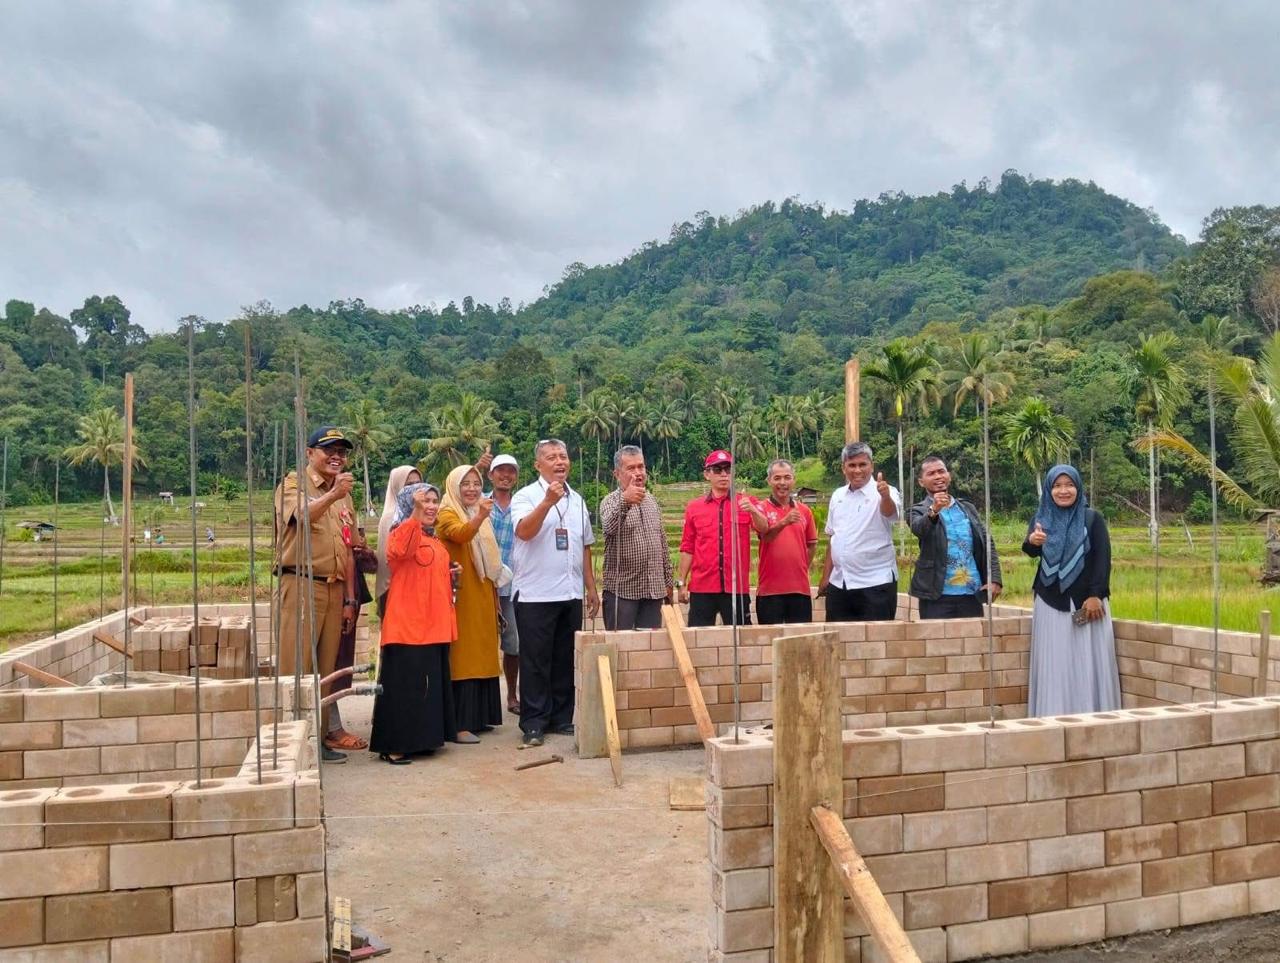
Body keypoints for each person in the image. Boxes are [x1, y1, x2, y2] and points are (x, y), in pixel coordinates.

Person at [273, 425, 358, 763]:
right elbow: (302, 516)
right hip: (302, 583)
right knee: (296, 666)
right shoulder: (293, 484)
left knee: (325, 670)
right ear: (310, 453)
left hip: (334, 587)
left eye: (342, 451)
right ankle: (288, 741)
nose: (336, 456)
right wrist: (332, 495)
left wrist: (351, 598)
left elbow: (349, 544)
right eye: (328, 450)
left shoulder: (344, 493)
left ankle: (317, 738)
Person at [511, 439, 600, 748]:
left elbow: (584, 546)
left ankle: (562, 717)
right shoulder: (526, 496)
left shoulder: (577, 500)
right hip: (536, 593)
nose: (560, 462)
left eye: (563, 456)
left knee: (564, 657)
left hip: (570, 591)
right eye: (551, 458)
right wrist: (547, 502)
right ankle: (534, 722)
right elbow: (523, 531)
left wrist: (590, 587)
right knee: (536, 660)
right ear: (539, 465)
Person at [369, 483, 458, 763]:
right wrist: (416, 514)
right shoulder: (402, 532)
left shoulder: (433, 540)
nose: (430, 506)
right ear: (410, 504)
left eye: (433, 501)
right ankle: (394, 745)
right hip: (408, 626)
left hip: (433, 625)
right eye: (423, 501)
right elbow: (400, 553)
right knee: (404, 688)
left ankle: (423, 739)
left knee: (428, 688)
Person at [1024, 465, 1120, 716]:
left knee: (1086, 660)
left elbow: (1102, 558)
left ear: (1078, 488)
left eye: (1069, 485)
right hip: (1049, 600)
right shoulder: (1040, 519)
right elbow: (1031, 549)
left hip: (1086, 602)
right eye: (1057, 485)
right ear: (1049, 489)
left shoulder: (1092, 518)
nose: (1063, 491)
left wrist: (1096, 595)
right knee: (1055, 661)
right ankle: (1053, 713)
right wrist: (1032, 542)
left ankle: (1091, 713)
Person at [436, 464, 506, 743]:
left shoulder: (479, 513)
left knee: (483, 652)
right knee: (463, 656)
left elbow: (489, 558)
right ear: (453, 486)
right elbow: (461, 534)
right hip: (459, 596)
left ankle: (479, 717)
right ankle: (459, 723)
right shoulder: (446, 512)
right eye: (465, 483)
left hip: (482, 590)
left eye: (476, 483)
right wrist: (479, 516)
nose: (472, 489)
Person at [907, 456, 1002, 619]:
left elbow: (987, 543)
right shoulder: (917, 510)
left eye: (941, 471)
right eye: (931, 473)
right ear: (921, 482)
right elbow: (920, 528)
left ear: (948, 476)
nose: (938, 476)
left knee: (972, 642)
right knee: (938, 644)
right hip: (936, 594)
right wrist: (934, 509)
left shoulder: (967, 508)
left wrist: (995, 579)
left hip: (972, 592)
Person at [818, 442, 901, 622]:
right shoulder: (837, 496)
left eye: (862, 465)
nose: (857, 470)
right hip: (840, 583)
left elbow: (889, 512)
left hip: (876, 584)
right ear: (843, 468)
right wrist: (826, 577)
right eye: (852, 465)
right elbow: (833, 538)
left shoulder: (887, 492)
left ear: (871, 466)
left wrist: (885, 496)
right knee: (837, 641)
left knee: (875, 644)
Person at [600, 445, 673, 630]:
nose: (638, 473)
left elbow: (662, 543)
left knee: (648, 650)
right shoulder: (610, 501)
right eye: (631, 468)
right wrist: (625, 500)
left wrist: (668, 582)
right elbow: (609, 527)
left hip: (653, 591)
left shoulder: (652, 501)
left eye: (641, 467)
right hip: (622, 591)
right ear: (617, 474)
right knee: (620, 647)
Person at [677, 450, 753, 627]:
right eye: (718, 470)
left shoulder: (746, 503)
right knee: (698, 640)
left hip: (736, 588)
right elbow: (687, 547)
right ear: (707, 474)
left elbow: (764, 529)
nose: (724, 474)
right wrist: (681, 583)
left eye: (728, 469)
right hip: (702, 588)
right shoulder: (694, 508)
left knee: (741, 641)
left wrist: (754, 511)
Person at [747, 459, 818, 624]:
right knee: (770, 642)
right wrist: (784, 522)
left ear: (794, 480)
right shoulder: (760, 508)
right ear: (769, 481)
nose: (782, 482)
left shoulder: (805, 511)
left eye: (787, 477)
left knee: (800, 643)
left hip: (800, 590)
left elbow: (812, 545)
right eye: (777, 478)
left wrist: (800, 567)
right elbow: (765, 536)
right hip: (769, 591)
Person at [487, 454, 521, 714]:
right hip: (484, 586)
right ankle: (484, 701)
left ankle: (511, 695)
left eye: (511, 471)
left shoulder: (522, 505)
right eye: (500, 471)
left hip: (513, 587)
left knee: (514, 644)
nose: (505, 475)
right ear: (491, 475)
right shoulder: (480, 503)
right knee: (483, 643)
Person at [375, 465, 421, 618]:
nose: (414, 489)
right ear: (397, 487)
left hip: (417, 585)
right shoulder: (391, 517)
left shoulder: (422, 515)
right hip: (395, 587)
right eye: (408, 485)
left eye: (418, 483)